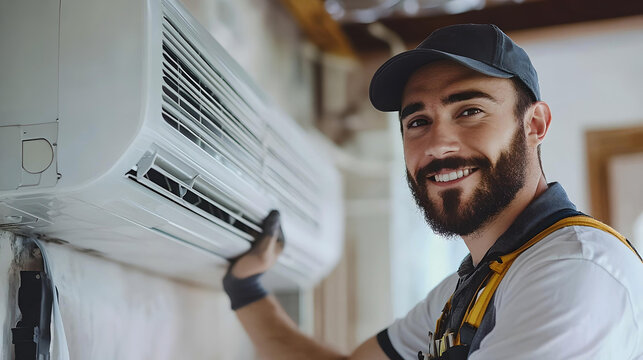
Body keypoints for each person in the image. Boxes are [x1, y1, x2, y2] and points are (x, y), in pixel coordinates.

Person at [222, 24, 643, 359]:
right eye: (417, 121)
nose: (438, 145)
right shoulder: (472, 284)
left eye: (470, 111)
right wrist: (247, 290)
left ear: (533, 125)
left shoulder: (574, 270)